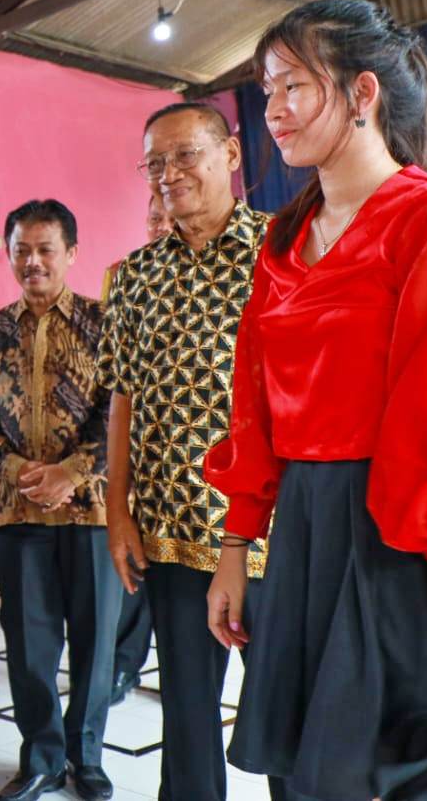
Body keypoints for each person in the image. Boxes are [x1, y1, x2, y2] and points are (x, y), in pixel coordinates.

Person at [206, 0, 427, 800]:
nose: (274, 110)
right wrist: (236, 543)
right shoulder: (283, 240)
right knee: (316, 774)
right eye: (267, 91)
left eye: (294, 85)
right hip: (311, 531)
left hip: (419, 532)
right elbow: (254, 408)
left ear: (362, 92)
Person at [98, 102, 270, 801]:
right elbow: (122, 397)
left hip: (272, 532)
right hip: (170, 531)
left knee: (284, 710)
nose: (168, 174)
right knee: (187, 715)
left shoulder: (284, 250)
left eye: (185, 155)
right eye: (155, 162)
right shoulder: (134, 276)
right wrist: (116, 511)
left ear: (230, 154)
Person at [0, 199, 118, 801]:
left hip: (93, 511)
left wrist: (71, 473)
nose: (33, 261)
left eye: (45, 249)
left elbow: (119, 411)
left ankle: (88, 758)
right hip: (18, 509)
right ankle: (43, 760)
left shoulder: (103, 323)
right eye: (21, 250)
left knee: (95, 643)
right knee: (30, 646)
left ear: (71, 253)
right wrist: (16, 468)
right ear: (8, 255)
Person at [99, 194, 170, 706]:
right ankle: (124, 666)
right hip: (141, 460)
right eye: (154, 218)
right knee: (137, 576)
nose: (161, 225)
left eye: (167, 217)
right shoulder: (127, 276)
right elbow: (117, 384)